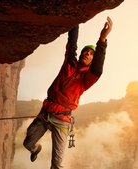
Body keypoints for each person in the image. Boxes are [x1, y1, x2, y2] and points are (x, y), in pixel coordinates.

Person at [23, 17, 113, 169]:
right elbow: (72, 45)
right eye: (86, 52)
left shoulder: (87, 78)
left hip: (62, 120)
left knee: (57, 166)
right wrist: (75, 19)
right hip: (46, 112)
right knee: (27, 143)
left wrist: (102, 39)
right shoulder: (70, 63)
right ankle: (36, 149)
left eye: (91, 54)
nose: (87, 54)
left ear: (92, 60)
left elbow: (98, 68)